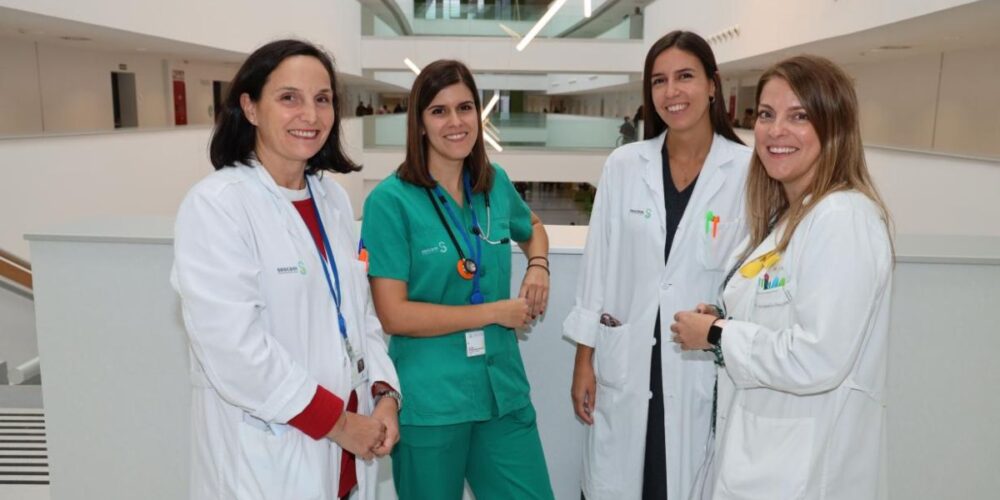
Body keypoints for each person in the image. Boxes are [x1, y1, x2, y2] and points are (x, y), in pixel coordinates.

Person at [171, 39, 400, 500]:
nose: (310, 116)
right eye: (288, 98)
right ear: (250, 107)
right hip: (271, 456)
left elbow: (359, 315)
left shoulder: (331, 198)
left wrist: (384, 395)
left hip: (349, 453)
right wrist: (337, 425)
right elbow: (235, 351)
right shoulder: (217, 205)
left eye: (322, 99)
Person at [670, 55, 893, 499]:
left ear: (835, 128)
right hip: (765, 463)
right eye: (767, 115)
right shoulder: (788, 219)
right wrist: (726, 317)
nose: (775, 132)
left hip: (809, 472)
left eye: (799, 116)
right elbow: (786, 316)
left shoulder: (843, 217)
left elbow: (819, 357)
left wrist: (717, 334)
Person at [564, 31, 752, 500]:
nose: (672, 92)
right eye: (659, 81)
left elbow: (752, 275)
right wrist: (583, 360)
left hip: (699, 363)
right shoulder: (625, 165)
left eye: (685, 77)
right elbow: (598, 267)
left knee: (685, 480)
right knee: (625, 479)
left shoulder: (748, 172)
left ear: (713, 85)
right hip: (629, 361)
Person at [361, 59, 555, 500]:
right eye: (439, 110)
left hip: (501, 393)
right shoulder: (389, 202)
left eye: (465, 108)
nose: (456, 122)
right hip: (431, 403)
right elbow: (393, 313)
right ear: (420, 123)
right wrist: (494, 312)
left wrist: (538, 265)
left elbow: (533, 227)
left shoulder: (493, 184)